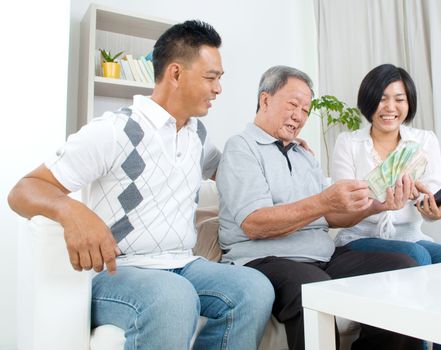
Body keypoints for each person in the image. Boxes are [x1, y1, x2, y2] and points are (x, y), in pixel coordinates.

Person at [8, 20, 274, 350]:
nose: (218, 89)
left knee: (254, 288)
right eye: (211, 77)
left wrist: (279, 142)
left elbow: (236, 174)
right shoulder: (115, 129)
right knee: (171, 297)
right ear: (175, 74)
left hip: (183, 264)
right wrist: (69, 209)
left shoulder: (198, 136)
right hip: (120, 272)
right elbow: (23, 190)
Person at [216, 65, 423, 350]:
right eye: (293, 105)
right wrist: (324, 200)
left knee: (402, 269)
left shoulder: (304, 155)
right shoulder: (241, 148)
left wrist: (376, 206)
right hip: (264, 259)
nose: (299, 116)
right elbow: (255, 223)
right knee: (312, 287)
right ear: (265, 100)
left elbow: (330, 216)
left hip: (322, 256)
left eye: (305, 110)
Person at [331, 63, 441, 267]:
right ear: (368, 101)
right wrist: (378, 203)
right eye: (381, 99)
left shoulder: (425, 140)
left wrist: (432, 210)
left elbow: (431, 195)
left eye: (399, 99)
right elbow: (342, 207)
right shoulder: (348, 143)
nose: (390, 107)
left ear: (409, 103)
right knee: (416, 256)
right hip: (358, 238)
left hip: (411, 237)